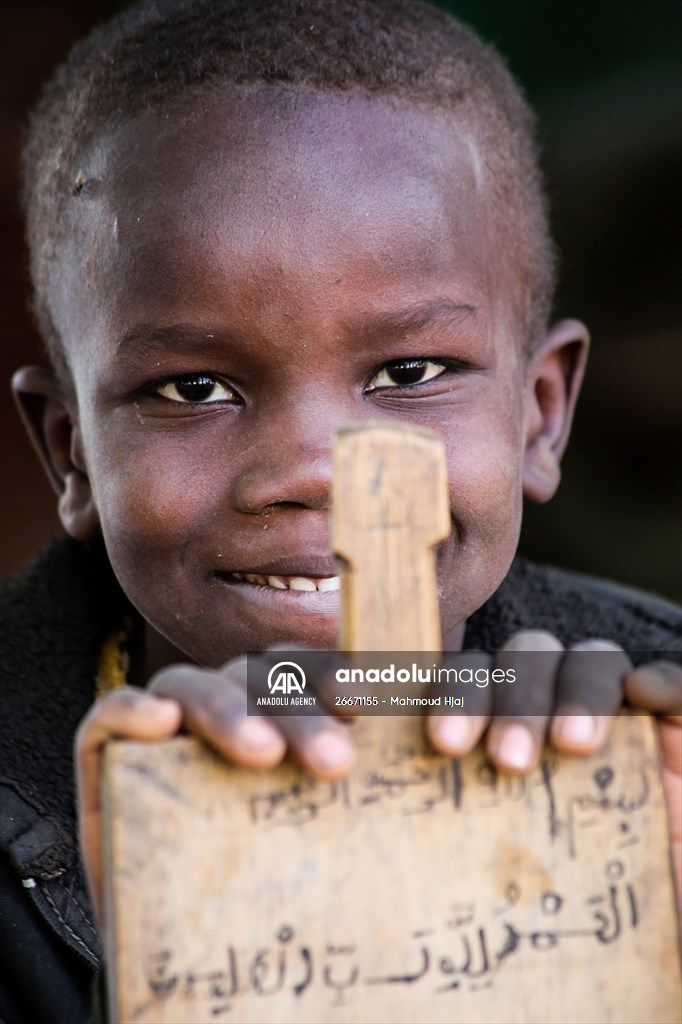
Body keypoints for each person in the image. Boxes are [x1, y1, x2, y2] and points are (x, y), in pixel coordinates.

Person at [1, 1, 679, 1020]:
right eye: (192, 389)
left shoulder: (655, 746)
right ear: (73, 452)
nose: (316, 470)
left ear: (540, 415)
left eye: (409, 371)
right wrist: (165, 964)